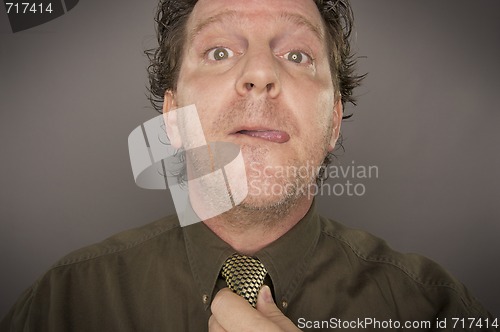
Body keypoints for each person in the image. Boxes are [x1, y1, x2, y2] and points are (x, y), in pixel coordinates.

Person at [1, 0, 496, 331]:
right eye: (219, 51)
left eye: (298, 55)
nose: (260, 74)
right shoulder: (62, 303)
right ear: (172, 119)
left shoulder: (434, 309)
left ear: (334, 124)